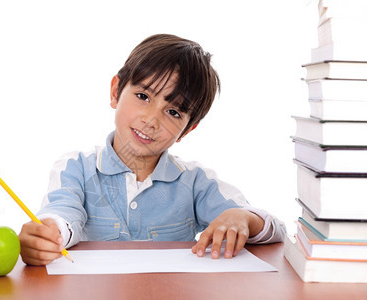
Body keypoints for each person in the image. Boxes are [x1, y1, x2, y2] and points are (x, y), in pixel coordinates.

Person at [18, 34, 286, 266]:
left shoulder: (194, 182)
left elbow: (275, 229)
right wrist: (50, 233)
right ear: (115, 91)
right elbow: (63, 212)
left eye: (173, 112)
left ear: (187, 129)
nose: (151, 120)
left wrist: (244, 218)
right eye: (143, 96)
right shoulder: (75, 167)